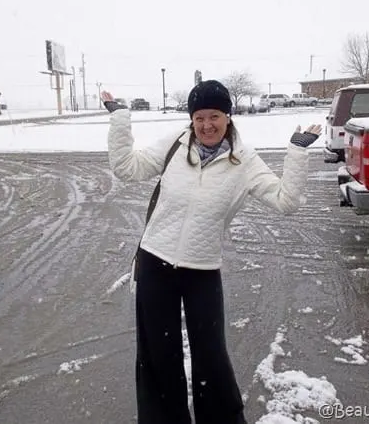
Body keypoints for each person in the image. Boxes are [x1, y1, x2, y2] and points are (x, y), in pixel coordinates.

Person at [104, 80, 321, 424]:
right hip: (154, 260)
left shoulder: (244, 161)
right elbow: (127, 168)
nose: (206, 125)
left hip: (201, 268)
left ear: (228, 117)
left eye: (214, 116)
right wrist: (119, 120)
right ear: (192, 119)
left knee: (211, 355)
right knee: (158, 353)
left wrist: (297, 151)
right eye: (199, 117)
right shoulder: (176, 144)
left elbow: (286, 201)